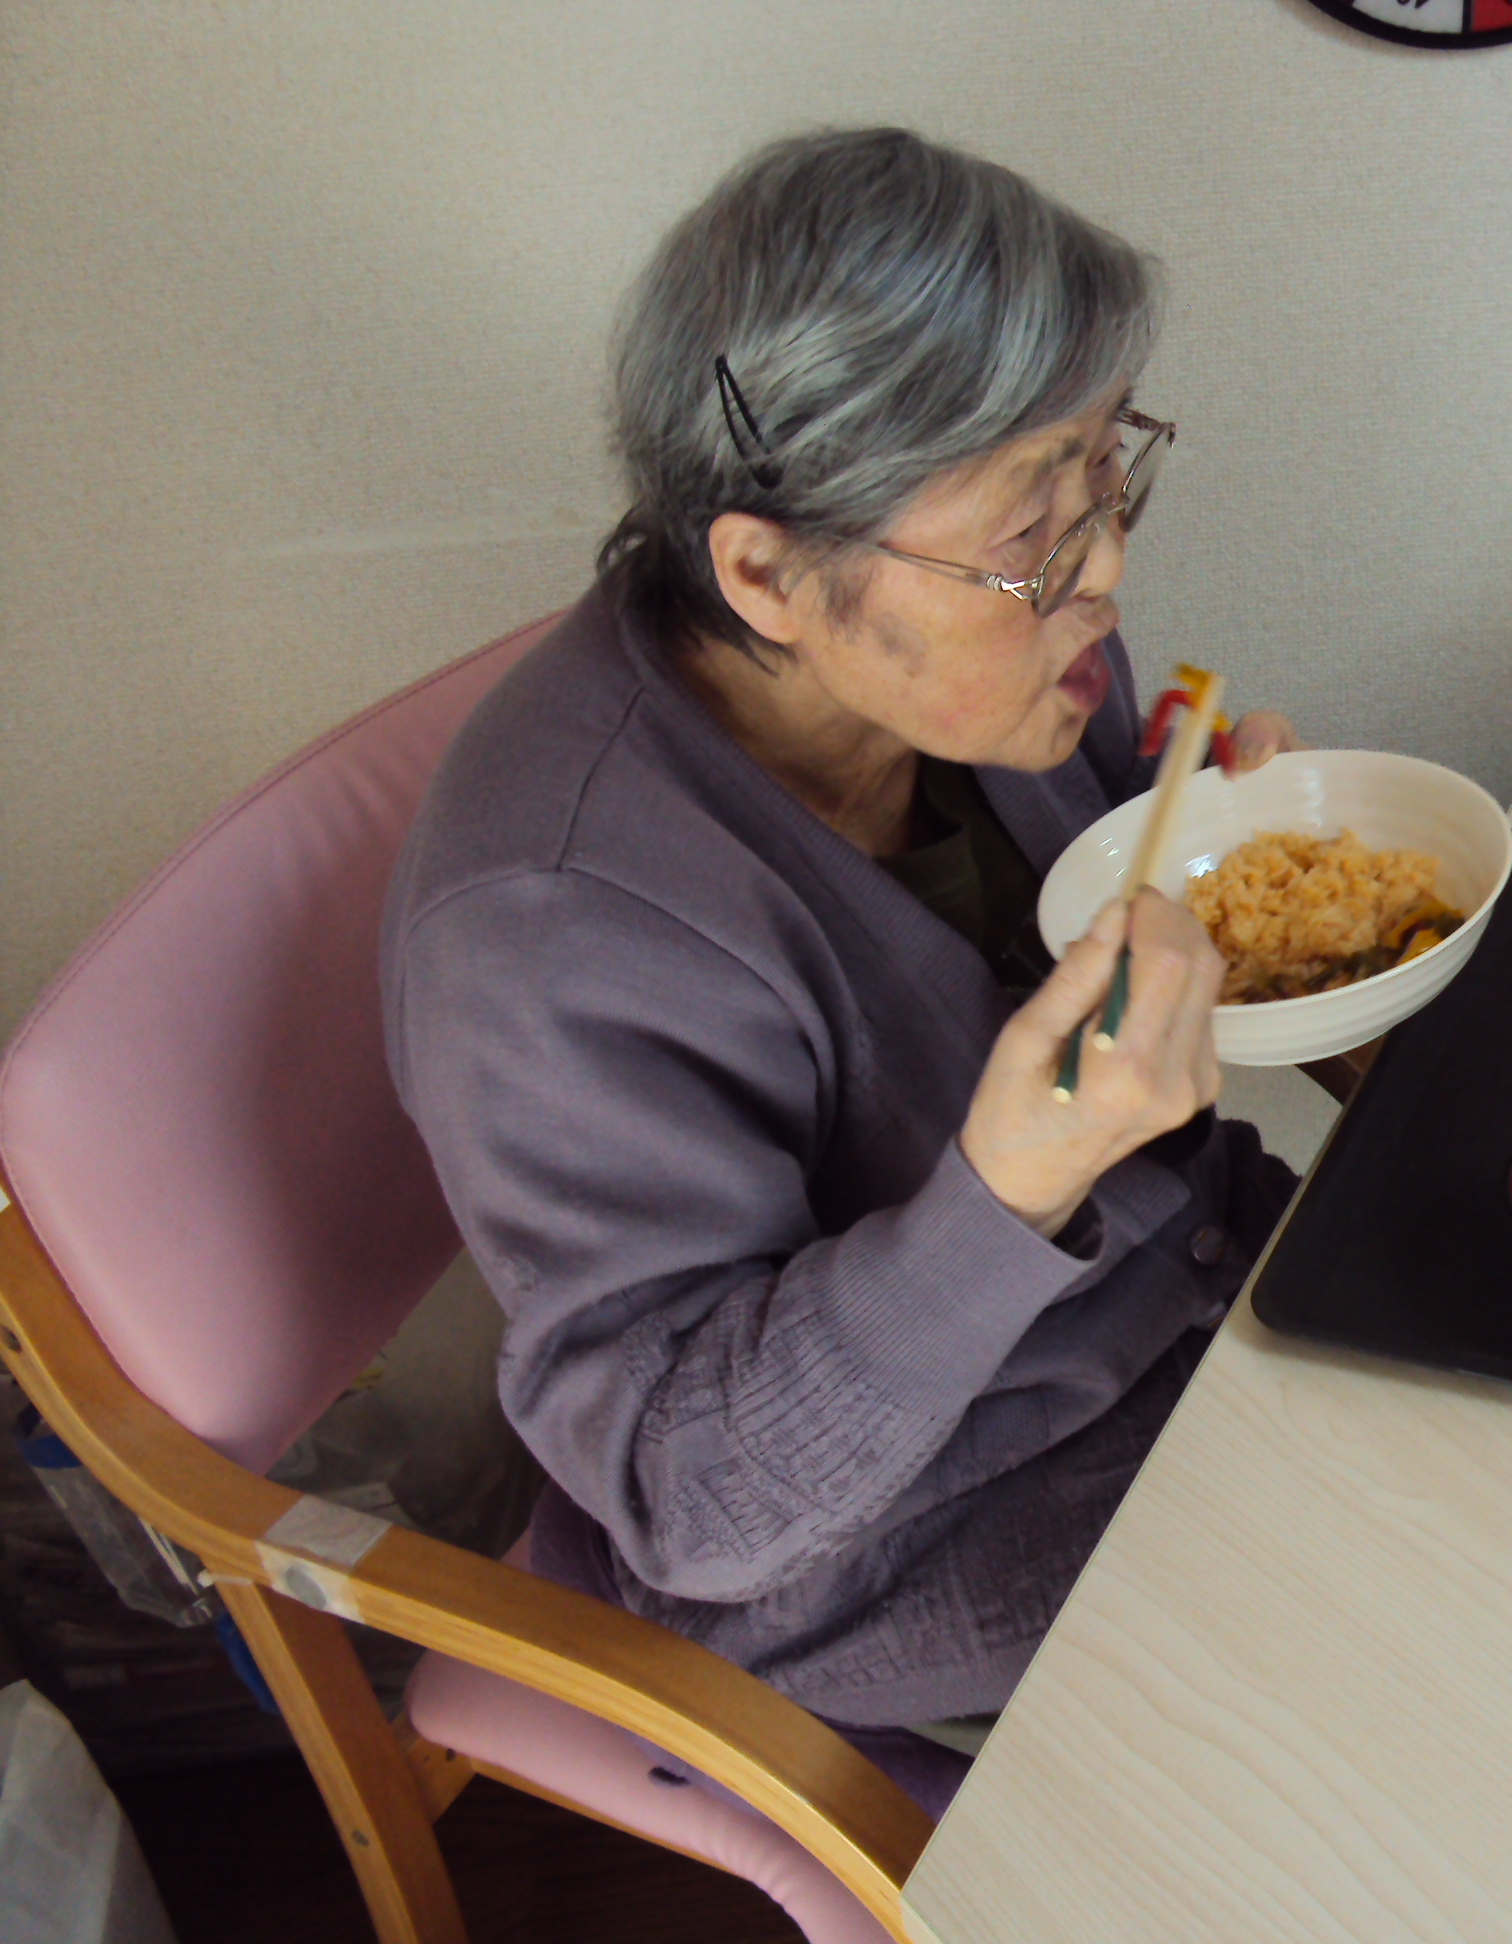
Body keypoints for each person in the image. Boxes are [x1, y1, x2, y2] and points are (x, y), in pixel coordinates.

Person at [382, 129, 1302, 1801]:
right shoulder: (555, 934)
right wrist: (1010, 1188)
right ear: (765, 574)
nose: (1104, 565)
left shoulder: (998, 682)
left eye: (1106, 466)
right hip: (913, 1535)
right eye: (1034, 527)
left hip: (1189, 1298)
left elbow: (1102, 946)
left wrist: (1259, 907)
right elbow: (696, 1501)